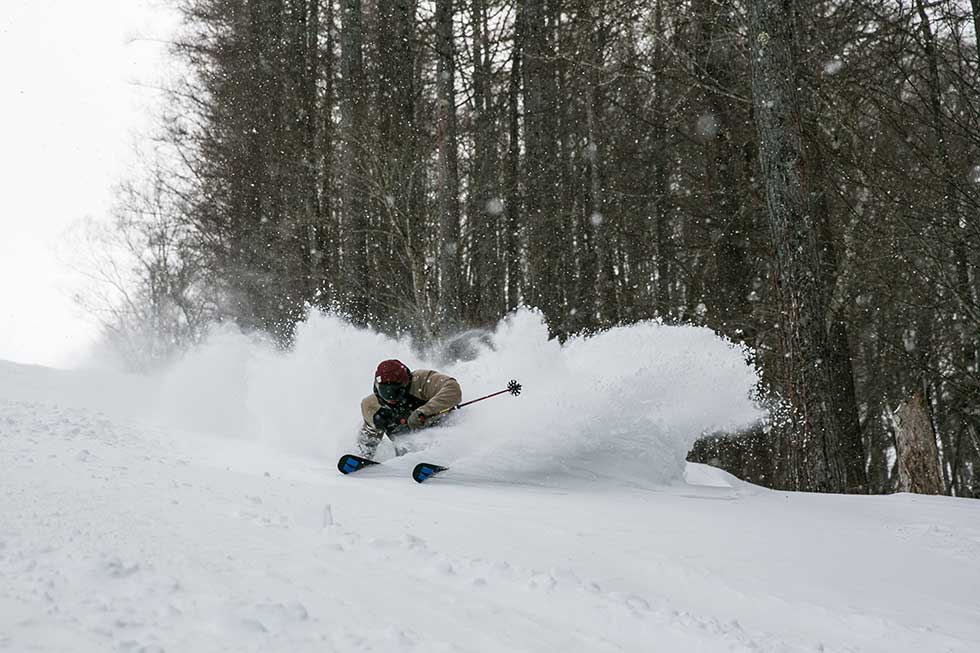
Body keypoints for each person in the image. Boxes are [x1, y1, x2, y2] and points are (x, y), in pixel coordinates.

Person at [357, 359, 462, 458]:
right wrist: (364, 456)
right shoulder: (371, 405)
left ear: (405, 384)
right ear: (377, 386)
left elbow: (452, 388)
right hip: (407, 462)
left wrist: (424, 411)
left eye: (396, 391)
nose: (391, 398)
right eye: (385, 392)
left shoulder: (422, 381)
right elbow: (369, 436)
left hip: (446, 439)